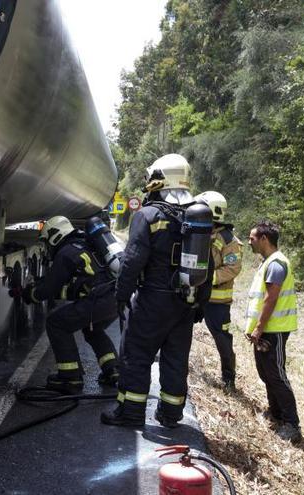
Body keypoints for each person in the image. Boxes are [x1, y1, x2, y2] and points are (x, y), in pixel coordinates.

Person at [100, 153, 212, 428]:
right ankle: (171, 414)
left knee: (136, 353)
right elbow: (208, 264)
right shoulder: (198, 215)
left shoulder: (149, 215)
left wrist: (121, 295)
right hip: (185, 300)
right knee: (175, 358)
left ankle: (131, 413)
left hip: (152, 299)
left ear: (161, 179)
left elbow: (132, 261)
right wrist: (201, 304)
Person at [18, 215, 120, 395]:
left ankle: (70, 377)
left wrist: (29, 294)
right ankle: (113, 370)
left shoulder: (65, 252)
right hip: (115, 299)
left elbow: (49, 289)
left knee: (56, 323)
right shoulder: (85, 244)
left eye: (47, 241)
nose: (47, 246)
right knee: (93, 330)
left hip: (98, 301)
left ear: (55, 236)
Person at [245, 220, 301, 443]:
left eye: (252, 238)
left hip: (273, 330)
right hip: (265, 330)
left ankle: (292, 424)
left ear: (264, 239)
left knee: (276, 375)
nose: (250, 241)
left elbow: (271, 298)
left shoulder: (276, 264)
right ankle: (276, 413)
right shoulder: (268, 262)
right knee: (265, 373)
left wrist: (259, 328)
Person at [195, 191, 243, 390]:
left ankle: (229, 378)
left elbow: (232, 268)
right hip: (195, 296)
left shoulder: (229, 241)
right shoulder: (197, 231)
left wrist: (206, 280)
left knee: (222, 339)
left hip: (217, 302)